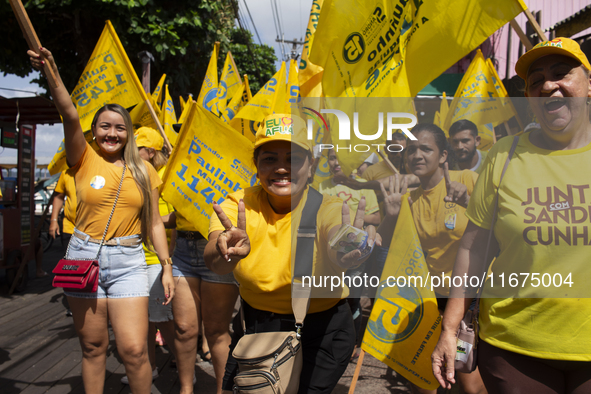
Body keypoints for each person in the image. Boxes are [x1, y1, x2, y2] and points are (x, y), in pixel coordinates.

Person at [432, 37, 591, 394]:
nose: (549, 85)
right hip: (513, 350)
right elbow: (473, 250)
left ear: (589, 83)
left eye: (562, 73)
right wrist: (450, 329)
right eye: (536, 80)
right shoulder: (504, 155)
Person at [29, 48, 174, 394]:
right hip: (83, 257)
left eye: (119, 128)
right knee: (92, 347)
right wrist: (51, 72)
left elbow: (154, 224)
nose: (112, 133)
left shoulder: (145, 171)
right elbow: (68, 112)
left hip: (129, 262)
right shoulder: (82, 159)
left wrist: (166, 266)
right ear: (93, 131)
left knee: (135, 350)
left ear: (129, 134)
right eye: (104, 127)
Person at [205, 113, 380, 393]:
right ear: (257, 166)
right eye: (270, 159)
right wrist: (227, 252)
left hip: (322, 331)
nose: (282, 168)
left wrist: (349, 248)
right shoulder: (237, 206)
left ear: (311, 167)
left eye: (293, 159)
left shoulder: (328, 206)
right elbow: (215, 260)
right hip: (258, 328)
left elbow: (337, 236)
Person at [377, 123, 486, 394]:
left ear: (443, 156)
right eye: (411, 150)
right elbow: (387, 243)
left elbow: (495, 229)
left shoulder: (469, 181)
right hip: (430, 302)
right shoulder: (406, 200)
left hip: (470, 303)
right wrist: (390, 216)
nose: (417, 155)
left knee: (469, 383)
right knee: (426, 381)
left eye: (426, 148)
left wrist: (469, 201)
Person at [120, 126, 177, 385]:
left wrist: (154, 224)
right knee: (143, 323)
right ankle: (151, 367)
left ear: (151, 152)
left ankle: (184, 361)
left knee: (161, 318)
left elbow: (175, 218)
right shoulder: (128, 174)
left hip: (156, 259)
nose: (129, 152)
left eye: (137, 149)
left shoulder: (166, 176)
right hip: (133, 258)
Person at [170, 197, 238, 392]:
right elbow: (183, 210)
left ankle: (222, 390)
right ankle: (185, 389)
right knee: (183, 329)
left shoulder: (234, 166)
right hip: (183, 248)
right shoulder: (174, 167)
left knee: (216, 330)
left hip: (220, 245)